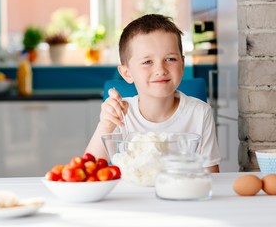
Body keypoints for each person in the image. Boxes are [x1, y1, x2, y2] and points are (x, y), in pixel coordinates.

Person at [85, 14, 220, 173]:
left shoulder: (200, 113)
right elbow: (87, 171)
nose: (160, 70)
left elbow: (211, 178)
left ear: (182, 65)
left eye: (170, 59)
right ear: (127, 73)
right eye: (147, 62)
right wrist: (106, 125)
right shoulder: (121, 115)